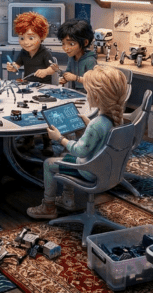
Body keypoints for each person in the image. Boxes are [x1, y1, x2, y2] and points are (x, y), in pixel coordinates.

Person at [27, 65, 128, 219]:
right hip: (107, 168)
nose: (87, 95)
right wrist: (89, 124)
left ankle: (48, 206)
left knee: (49, 163)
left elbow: (79, 151)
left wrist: (59, 138)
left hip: (89, 170)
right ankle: (67, 200)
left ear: (97, 97)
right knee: (65, 156)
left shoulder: (97, 125)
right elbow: (102, 136)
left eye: (88, 92)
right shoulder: (116, 118)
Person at [6, 11, 58, 154]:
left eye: (31, 38)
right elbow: (17, 65)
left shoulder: (45, 52)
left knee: (44, 115)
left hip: (44, 90)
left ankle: (47, 143)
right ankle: (28, 141)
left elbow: (54, 68)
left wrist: (46, 71)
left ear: (41, 36)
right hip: (29, 88)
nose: (26, 42)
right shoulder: (23, 52)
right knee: (27, 112)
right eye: (22, 38)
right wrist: (13, 67)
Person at [57, 19, 97, 92]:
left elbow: (93, 81)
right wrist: (64, 79)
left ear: (85, 42)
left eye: (71, 44)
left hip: (87, 93)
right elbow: (68, 72)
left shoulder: (90, 60)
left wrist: (76, 78)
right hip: (74, 91)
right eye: (63, 43)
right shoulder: (71, 57)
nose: (66, 48)